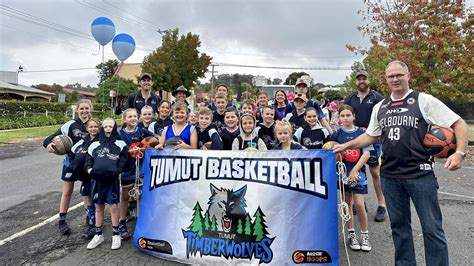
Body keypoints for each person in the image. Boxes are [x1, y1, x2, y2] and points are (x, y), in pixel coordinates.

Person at [334, 60, 468, 265]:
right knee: (399, 229)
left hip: (420, 175)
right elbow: (371, 135)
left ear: (408, 76)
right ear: (386, 80)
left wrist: (459, 153)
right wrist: (347, 144)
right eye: (391, 76)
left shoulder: (423, 100)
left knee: (432, 229)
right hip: (390, 176)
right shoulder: (381, 107)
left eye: (399, 75)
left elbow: (458, 123)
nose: (395, 79)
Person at [43, 99, 92, 235]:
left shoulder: (94, 125)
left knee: (86, 193)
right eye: (81, 108)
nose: (84, 111)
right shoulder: (70, 125)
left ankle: (89, 221)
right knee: (67, 191)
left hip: (86, 164)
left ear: (90, 109)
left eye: (86, 108)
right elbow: (51, 137)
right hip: (70, 163)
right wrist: (49, 144)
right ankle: (62, 221)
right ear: (77, 110)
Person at [344, 70, 387, 222]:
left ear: (369, 80)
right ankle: (360, 202)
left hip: (374, 140)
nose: (361, 81)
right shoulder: (350, 98)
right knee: (356, 171)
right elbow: (345, 115)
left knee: (376, 173)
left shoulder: (377, 98)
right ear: (355, 82)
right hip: (356, 142)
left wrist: (371, 132)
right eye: (359, 79)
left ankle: (381, 205)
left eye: (364, 78)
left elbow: (384, 118)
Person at [331, 105, 373, 252]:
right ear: (339, 118)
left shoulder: (362, 132)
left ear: (354, 116)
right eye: (342, 116)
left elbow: (366, 153)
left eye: (348, 115)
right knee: (346, 203)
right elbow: (331, 151)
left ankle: (365, 235)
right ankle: (351, 234)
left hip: (358, 174)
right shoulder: (337, 134)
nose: (345, 118)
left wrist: (355, 170)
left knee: (360, 204)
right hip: (342, 174)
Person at [85, 118, 128, 250]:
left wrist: (117, 170)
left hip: (112, 180)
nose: (108, 128)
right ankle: (98, 234)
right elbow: (88, 159)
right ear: (102, 128)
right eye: (105, 126)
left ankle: (116, 234)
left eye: (111, 126)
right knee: (98, 206)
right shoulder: (94, 144)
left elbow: (123, 159)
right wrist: (89, 170)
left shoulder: (121, 144)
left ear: (114, 128)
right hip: (97, 180)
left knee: (114, 206)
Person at [118, 108, 154, 240]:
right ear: (124, 119)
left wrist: (153, 145)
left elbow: (154, 138)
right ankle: (121, 222)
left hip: (140, 169)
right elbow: (118, 150)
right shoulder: (120, 134)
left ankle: (139, 221)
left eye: (135, 116)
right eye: (130, 116)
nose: (133, 118)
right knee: (125, 196)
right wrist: (129, 151)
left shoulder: (141, 131)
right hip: (127, 169)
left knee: (139, 195)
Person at [69, 118, 101, 239]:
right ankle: (90, 222)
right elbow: (72, 152)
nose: (93, 129)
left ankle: (96, 224)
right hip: (84, 175)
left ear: (99, 128)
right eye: (91, 127)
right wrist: (74, 165)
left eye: (96, 127)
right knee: (86, 197)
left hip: (95, 176)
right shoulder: (83, 140)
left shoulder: (101, 141)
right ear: (87, 129)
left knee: (96, 200)